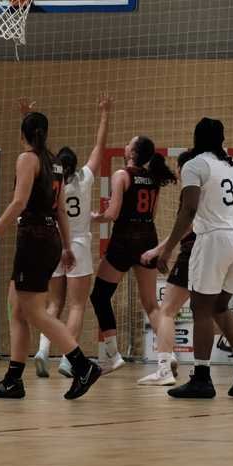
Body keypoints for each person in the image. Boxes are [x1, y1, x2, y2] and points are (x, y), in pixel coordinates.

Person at [0, 112, 101, 400]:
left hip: (33, 237)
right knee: (17, 309)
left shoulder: (27, 159)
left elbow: (19, 202)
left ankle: (83, 366)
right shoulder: (54, 162)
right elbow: (60, 210)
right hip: (50, 237)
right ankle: (14, 379)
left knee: (34, 313)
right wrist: (66, 247)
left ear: (22, 135)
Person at [138, 151, 233, 386]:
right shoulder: (218, 182)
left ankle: (164, 368)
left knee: (167, 311)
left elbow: (187, 224)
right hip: (229, 248)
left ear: (184, 169)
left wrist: (159, 250)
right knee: (210, 313)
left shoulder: (192, 188)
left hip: (197, 252)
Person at [27, 95, 111, 379]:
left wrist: (28, 117)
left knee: (53, 304)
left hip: (54, 244)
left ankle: (42, 350)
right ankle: (67, 358)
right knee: (77, 305)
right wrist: (104, 114)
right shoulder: (85, 178)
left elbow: (36, 151)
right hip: (78, 245)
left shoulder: (50, 181)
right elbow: (99, 147)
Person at [90, 136, 178, 373]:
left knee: (100, 296)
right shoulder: (153, 178)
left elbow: (112, 214)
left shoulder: (121, 175)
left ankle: (113, 355)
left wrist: (96, 217)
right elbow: (153, 214)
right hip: (148, 238)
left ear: (132, 153)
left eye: (129, 143)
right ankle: (168, 354)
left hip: (124, 240)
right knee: (151, 305)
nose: (125, 145)